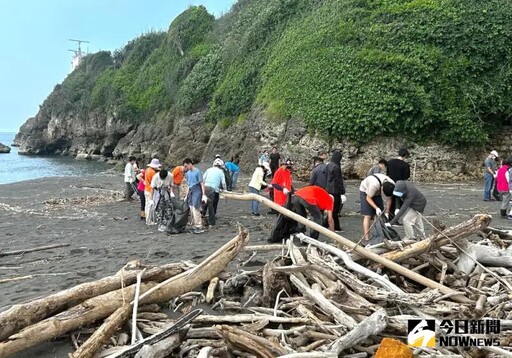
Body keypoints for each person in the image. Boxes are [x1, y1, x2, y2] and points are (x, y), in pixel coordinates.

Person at [359, 173, 395, 242]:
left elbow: (389, 198)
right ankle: (367, 238)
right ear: (381, 188)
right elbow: (368, 198)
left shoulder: (391, 184)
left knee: (380, 215)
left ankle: (381, 235)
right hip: (365, 191)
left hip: (377, 192)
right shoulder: (374, 184)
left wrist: (387, 212)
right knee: (368, 215)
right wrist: (376, 208)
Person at [183, 158, 206, 234]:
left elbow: (201, 183)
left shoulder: (197, 172)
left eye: (186, 166)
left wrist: (203, 194)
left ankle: (199, 225)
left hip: (197, 190)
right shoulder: (188, 173)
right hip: (191, 190)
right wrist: (186, 195)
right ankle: (194, 225)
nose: (185, 168)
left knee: (196, 208)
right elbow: (188, 185)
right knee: (191, 208)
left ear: (190, 164)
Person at [325, 150, 346, 232]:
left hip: (328, 189)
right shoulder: (336, 167)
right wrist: (342, 191)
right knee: (335, 209)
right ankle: (334, 226)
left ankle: (329, 224)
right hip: (335, 190)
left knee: (331, 208)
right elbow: (338, 181)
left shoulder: (328, 165)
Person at [203, 159, 227, 226]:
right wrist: (225, 190)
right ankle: (212, 222)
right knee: (212, 205)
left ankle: (202, 217)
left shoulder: (208, 169)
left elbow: (203, 178)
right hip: (214, 189)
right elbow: (223, 183)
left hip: (205, 188)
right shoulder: (220, 172)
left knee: (204, 203)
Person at [144, 158, 162, 225]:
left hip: (146, 189)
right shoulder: (152, 172)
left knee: (147, 205)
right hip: (150, 190)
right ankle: (149, 221)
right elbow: (154, 183)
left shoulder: (147, 169)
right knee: (150, 206)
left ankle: (147, 219)